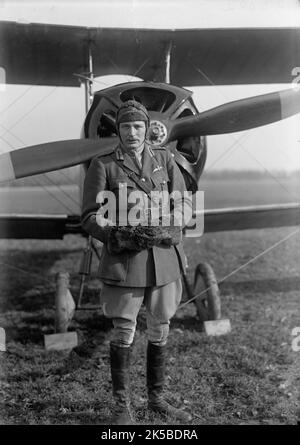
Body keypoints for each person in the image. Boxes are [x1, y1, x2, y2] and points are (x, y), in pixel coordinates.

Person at [81, 100, 192, 425]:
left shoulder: (165, 160)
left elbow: (184, 199)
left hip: (163, 260)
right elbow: (88, 215)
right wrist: (115, 234)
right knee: (124, 331)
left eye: (138, 126)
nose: (132, 132)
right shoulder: (103, 165)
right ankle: (121, 408)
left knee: (160, 327)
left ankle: (157, 399)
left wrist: (175, 221)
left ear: (147, 129)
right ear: (119, 130)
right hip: (125, 261)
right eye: (126, 127)